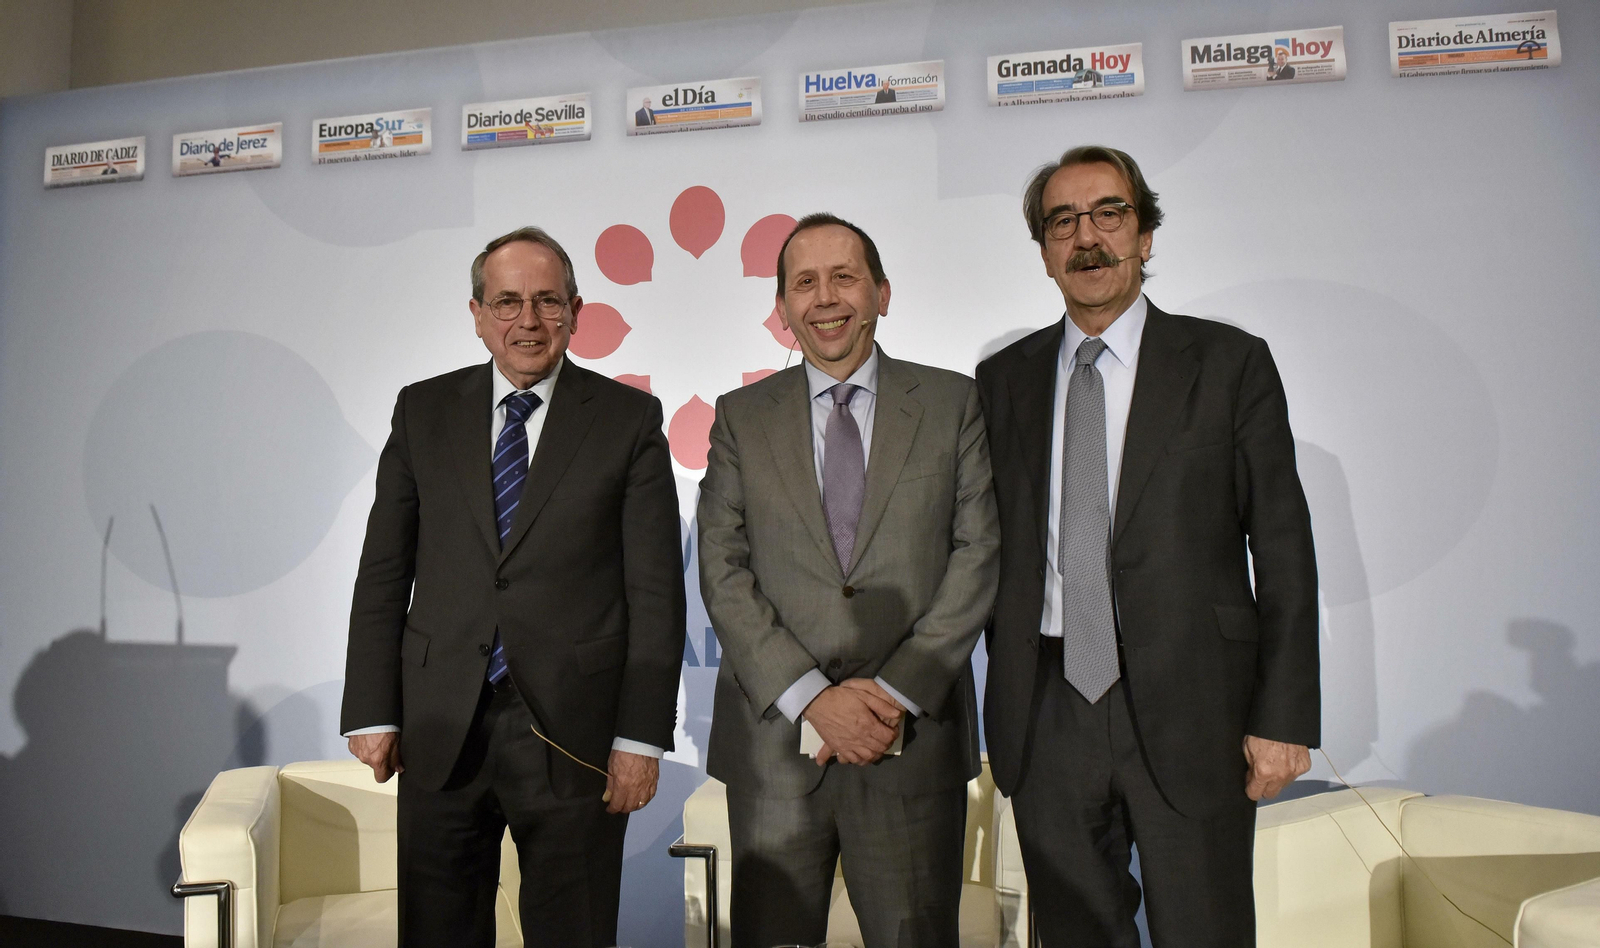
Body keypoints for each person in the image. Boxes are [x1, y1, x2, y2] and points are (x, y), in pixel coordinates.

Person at [975, 145, 1320, 947]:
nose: (1086, 237)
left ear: (1145, 234)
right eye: (1063, 222)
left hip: (1195, 705)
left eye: (1109, 213)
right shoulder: (1002, 380)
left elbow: (1283, 546)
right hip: (1048, 705)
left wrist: (1284, 716)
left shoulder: (1228, 364)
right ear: (1044, 252)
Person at [340, 226, 686, 947]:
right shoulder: (421, 411)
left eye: (547, 301)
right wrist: (372, 710)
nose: (527, 320)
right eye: (506, 302)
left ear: (576, 312)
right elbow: (383, 572)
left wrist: (641, 738)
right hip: (440, 729)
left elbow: (655, 594)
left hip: (575, 737)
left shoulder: (627, 421)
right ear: (477, 314)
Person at [699, 213, 1000, 948]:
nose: (825, 298)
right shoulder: (740, 418)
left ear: (882, 294)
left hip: (911, 746)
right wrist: (813, 698)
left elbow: (978, 555)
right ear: (782, 309)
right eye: (805, 282)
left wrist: (892, 695)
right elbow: (722, 568)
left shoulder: (952, 404)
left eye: (844, 277)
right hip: (775, 751)